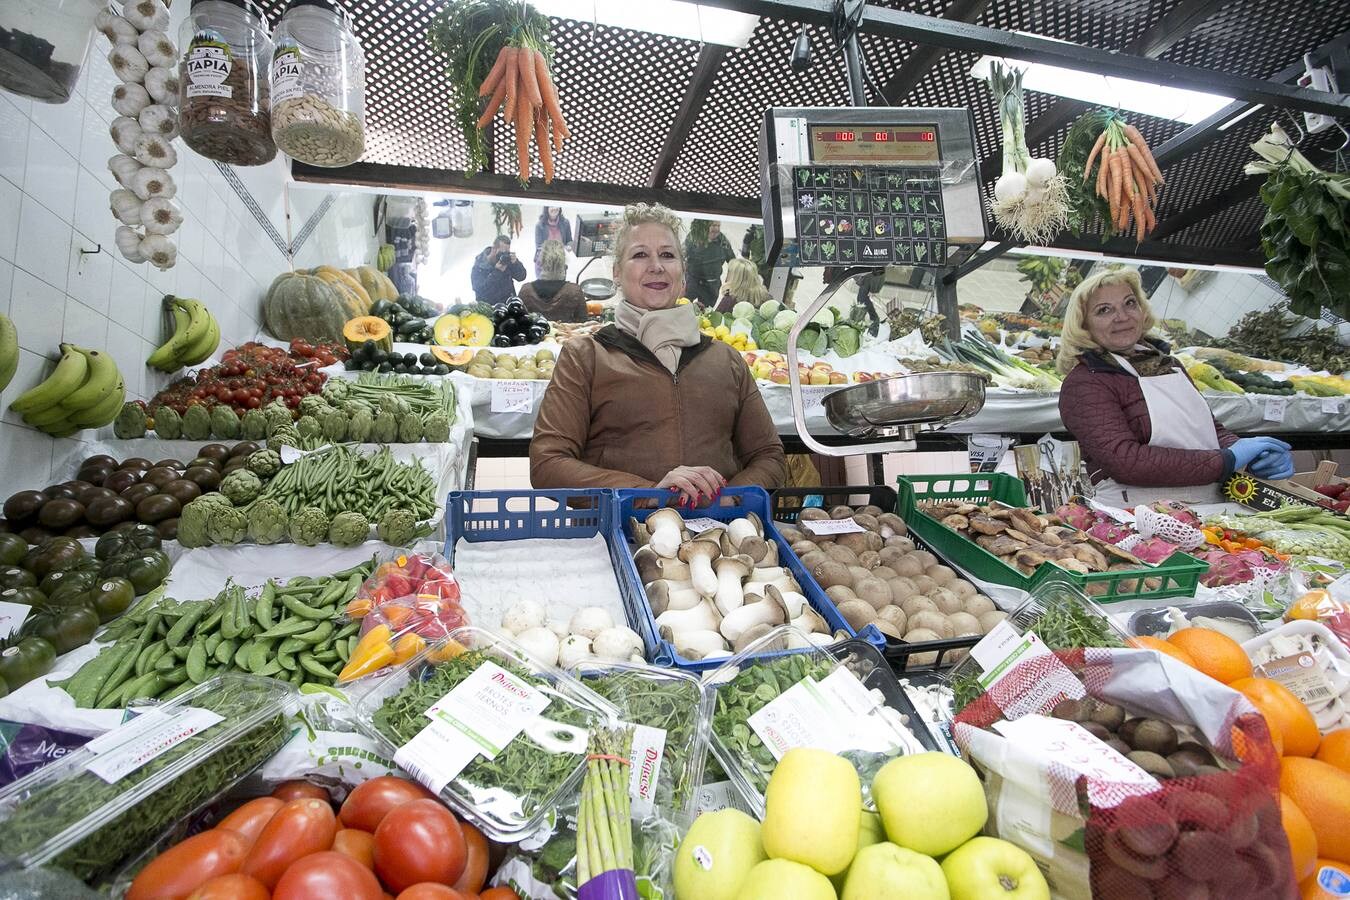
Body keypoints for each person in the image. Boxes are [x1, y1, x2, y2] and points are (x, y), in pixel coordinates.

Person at [531, 203, 787, 504]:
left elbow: (769, 456)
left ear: (683, 271)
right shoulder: (586, 357)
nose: (656, 266)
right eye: (640, 255)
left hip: (718, 539)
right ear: (617, 272)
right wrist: (648, 494)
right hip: (615, 540)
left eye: (668, 255)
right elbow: (548, 465)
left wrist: (731, 498)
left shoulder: (725, 359)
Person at [1057, 269, 1293, 505]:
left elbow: (1208, 430)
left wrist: (1249, 453)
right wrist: (1227, 460)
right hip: (1137, 515)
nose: (1122, 317)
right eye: (1104, 310)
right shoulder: (1085, 383)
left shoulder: (1169, 364)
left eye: (1130, 303)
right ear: (1083, 325)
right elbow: (1125, 461)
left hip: (1209, 505)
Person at [519, 240, 587, 322]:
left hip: (536, 334)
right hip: (567, 333)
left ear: (541, 262)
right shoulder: (574, 291)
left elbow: (519, 322)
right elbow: (583, 322)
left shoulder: (526, 291)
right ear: (563, 263)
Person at [683, 219, 735, 306]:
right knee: (683, 305)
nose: (717, 229)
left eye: (718, 226)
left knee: (707, 312)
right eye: (713, 225)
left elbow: (733, 261)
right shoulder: (693, 236)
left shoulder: (722, 240)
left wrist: (729, 280)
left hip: (711, 285)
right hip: (692, 281)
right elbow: (681, 256)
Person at [470, 235, 526, 306]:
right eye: (502, 253)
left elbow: (521, 277)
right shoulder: (479, 267)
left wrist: (516, 263)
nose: (504, 255)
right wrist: (497, 272)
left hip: (509, 304)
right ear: (494, 249)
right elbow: (481, 291)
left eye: (507, 252)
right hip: (490, 307)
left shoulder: (506, 261)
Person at [533, 206, 573, 276]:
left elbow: (569, 240)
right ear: (546, 209)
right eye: (551, 206)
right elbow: (539, 246)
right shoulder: (540, 225)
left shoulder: (565, 223)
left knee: (560, 285)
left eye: (556, 206)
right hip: (544, 264)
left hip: (560, 263)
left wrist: (569, 246)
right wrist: (553, 252)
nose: (554, 208)